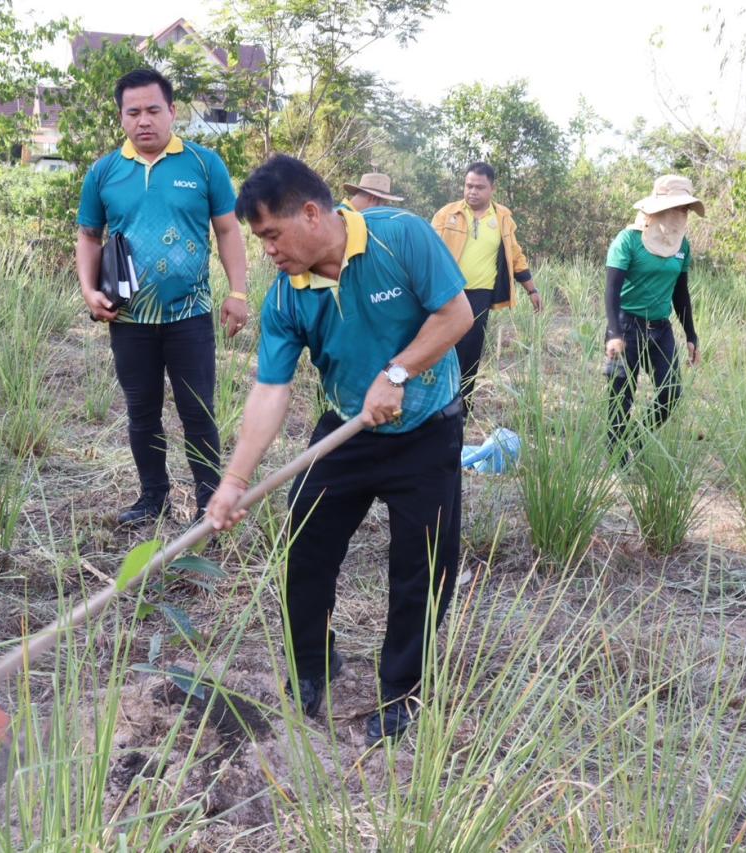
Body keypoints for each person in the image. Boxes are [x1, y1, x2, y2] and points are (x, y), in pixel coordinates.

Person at [205, 155, 472, 744]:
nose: (268, 250)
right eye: (260, 240)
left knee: (421, 570)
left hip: (427, 429)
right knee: (305, 553)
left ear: (310, 213)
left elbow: (456, 314)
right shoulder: (287, 297)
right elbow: (270, 392)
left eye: (272, 235)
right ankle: (312, 668)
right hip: (344, 431)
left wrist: (398, 374)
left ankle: (402, 695)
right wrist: (234, 482)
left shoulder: (400, 237)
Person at [76, 68, 249, 525]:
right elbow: (89, 236)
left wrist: (238, 292)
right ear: (121, 117)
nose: (144, 120)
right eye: (133, 112)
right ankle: (153, 498)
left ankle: (210, 502)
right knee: (142, 412)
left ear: (172, 112)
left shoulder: (204, 164)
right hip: (128, 318)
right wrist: (89, 290)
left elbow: (228, 230)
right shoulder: (104, 172)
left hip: (191, 316)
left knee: (198, 411)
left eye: (153, 110)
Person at [604, 174, 703, 459]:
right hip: (627, 325)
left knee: (671, 392)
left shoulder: (681, 246)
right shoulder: (628, 240)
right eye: (677, 207)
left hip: (660, 329)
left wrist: (691, 335)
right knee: (620, 397)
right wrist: (614, 333)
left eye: (685, 209)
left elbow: (680, 293)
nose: (681, 214)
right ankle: (616, 460)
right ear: (659, 208)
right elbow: (611, 290)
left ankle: (634, 439)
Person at [431, 162, 541, 414]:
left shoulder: (502, 218)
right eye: (468, 186)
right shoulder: (446, 215)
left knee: (470, 354)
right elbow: (427, 251)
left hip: (480, 296)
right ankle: (436, 407)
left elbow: (515, 255)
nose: (472, 191)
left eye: (479, 187)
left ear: (492, 188)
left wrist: (531, 289)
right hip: (447, 294)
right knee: (441, 351)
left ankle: (461, 410)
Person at [340, 172, 404, 212]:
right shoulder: (351, 222)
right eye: (383, 204)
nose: (381, 211)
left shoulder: (336, 214)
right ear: (372, 199)